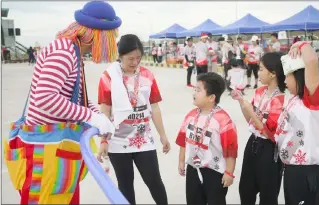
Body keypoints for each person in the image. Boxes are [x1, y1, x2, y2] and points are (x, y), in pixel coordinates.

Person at [4, 1, 119, 204]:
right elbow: (45, 97)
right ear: (98, 35)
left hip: (54, 147)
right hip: (43, 149)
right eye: (111, 37)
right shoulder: (64, 52)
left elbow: (76, 96)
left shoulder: (72, 51)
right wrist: (91, 116)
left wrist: (98, 115)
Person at [97, 34, 170, 205]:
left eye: (138, 58)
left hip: (143, 139)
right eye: (130, 58)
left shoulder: (147, 75)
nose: (135, 62)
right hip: (117, 140)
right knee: (125, 185)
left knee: (154, 181)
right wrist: (103, 140)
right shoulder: (108, 77)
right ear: (120, 56)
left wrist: (163, 135)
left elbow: (154, 107)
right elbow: (105, 110)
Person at [276, 41, 319, 205]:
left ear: (300, 75)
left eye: (287, 76)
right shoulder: (294, 99)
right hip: (292, 169)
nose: (284, 81)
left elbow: (312, 61)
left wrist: (301, 44)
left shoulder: (312, 100)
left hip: (308, 171)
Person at [231, 52, 286, 205]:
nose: (258, 72)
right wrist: (241, 102)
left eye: (261, 69)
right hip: (253, 143)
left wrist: (251, 110)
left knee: (268, 194)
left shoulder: (280, 100)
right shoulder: (260, 92)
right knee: (245, 189)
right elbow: (250, 120)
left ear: (273, 73)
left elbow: (270, 134)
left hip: (269, 150)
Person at [176, 72, 238, 205]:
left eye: (198, 90)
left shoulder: (223, 120)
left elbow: (230, 150)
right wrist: (181, 161)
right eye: (194, 89)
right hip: (193, 168)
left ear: (211, 97)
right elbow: (183, 140)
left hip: (214, 172)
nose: (194, 92)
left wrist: (229, 172)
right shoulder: (190, 116)